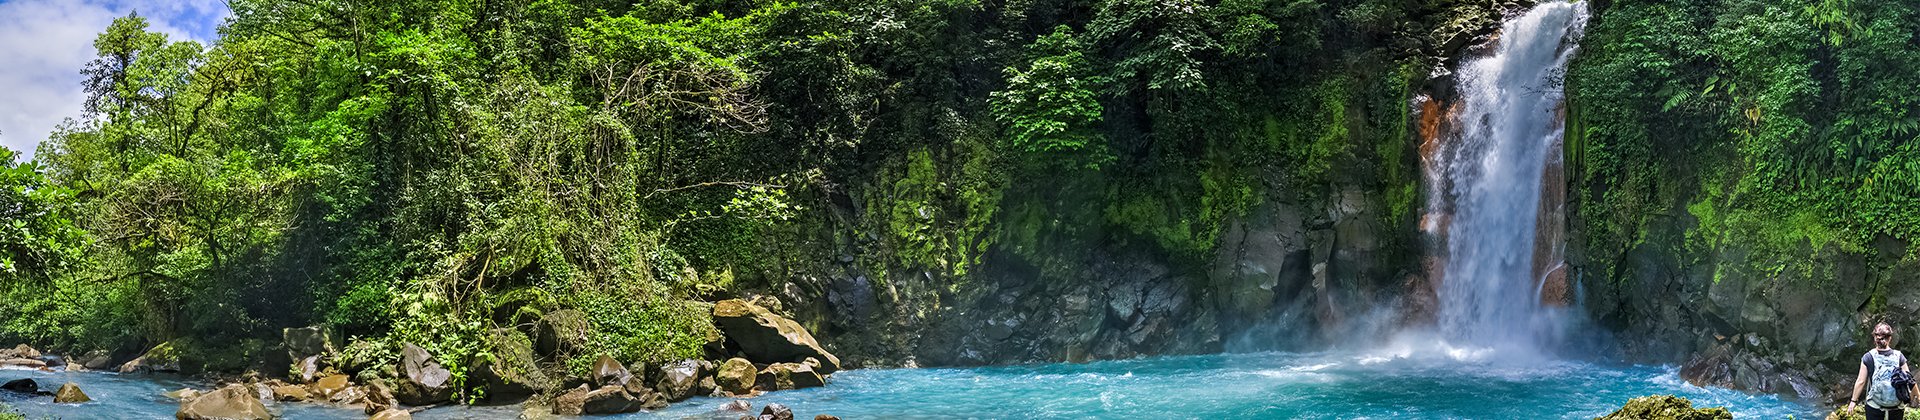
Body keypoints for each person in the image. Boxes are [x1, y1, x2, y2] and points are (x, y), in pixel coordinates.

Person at [1851, 322, 1910, 420]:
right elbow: (1908, 379)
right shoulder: (1899, 356)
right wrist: (1915, 397)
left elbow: (1861, 382)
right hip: (1896, 407)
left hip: (1875, 406)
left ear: (1875, 338)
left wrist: (1853, 401)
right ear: (1890, 338)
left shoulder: (1868, 357)